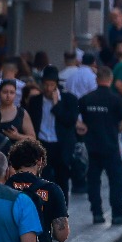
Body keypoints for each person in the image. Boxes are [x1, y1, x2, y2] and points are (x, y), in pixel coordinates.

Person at [78, 67, 122, 227]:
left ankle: (97, 213)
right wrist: (114, 129)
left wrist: (82, 126)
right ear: (110, 79)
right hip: (110, 146)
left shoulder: (86, 99)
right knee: (116, 181)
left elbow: (75, 118)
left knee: (94, 181)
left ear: (96, 80)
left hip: (92, 147)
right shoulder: (115, 99)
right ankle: (117, 214)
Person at [25, 66, 81, 201]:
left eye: (51, 85)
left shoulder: (69, 99)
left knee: (62, 180)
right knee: (43, 179)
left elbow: (70, 121)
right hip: (43, 143)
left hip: (61, 145)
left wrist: (57, 105)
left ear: (56, 85)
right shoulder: (35, 101)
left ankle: (62, 212)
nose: (48, 88)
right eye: (45, 85)